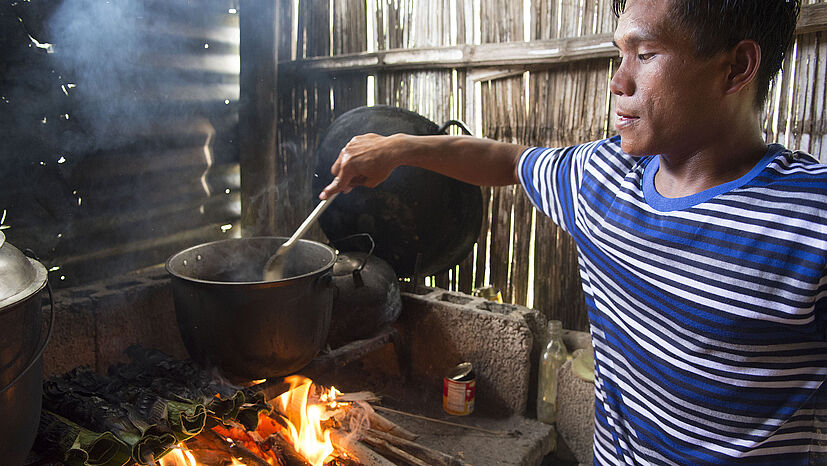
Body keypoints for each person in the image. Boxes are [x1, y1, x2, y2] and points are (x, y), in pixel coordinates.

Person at [321, 0, 827, 463]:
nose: (618, 81)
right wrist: (398, 148)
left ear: (736, 66)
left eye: (646, 54)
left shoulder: (810, 218)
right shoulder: (600, 179)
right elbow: (508, 161)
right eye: (619, 53)